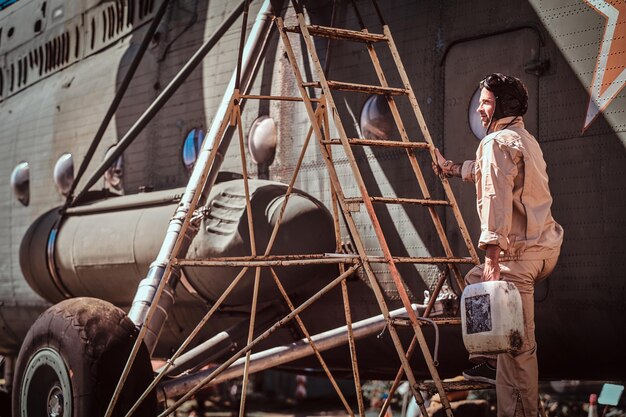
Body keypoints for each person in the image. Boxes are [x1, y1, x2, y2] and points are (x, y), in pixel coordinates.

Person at [433, 73, 564, 417]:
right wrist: (452, 168)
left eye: (486, 102)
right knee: (475, 284)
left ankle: (498, 368)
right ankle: (489, 358)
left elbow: (495, 197)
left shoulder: (495, 143)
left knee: (517, 352)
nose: (479, 108)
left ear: (503, 106)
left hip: (517, 256)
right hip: (541, 248)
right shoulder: (522, 139)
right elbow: (490, 173)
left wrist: (492, 254)